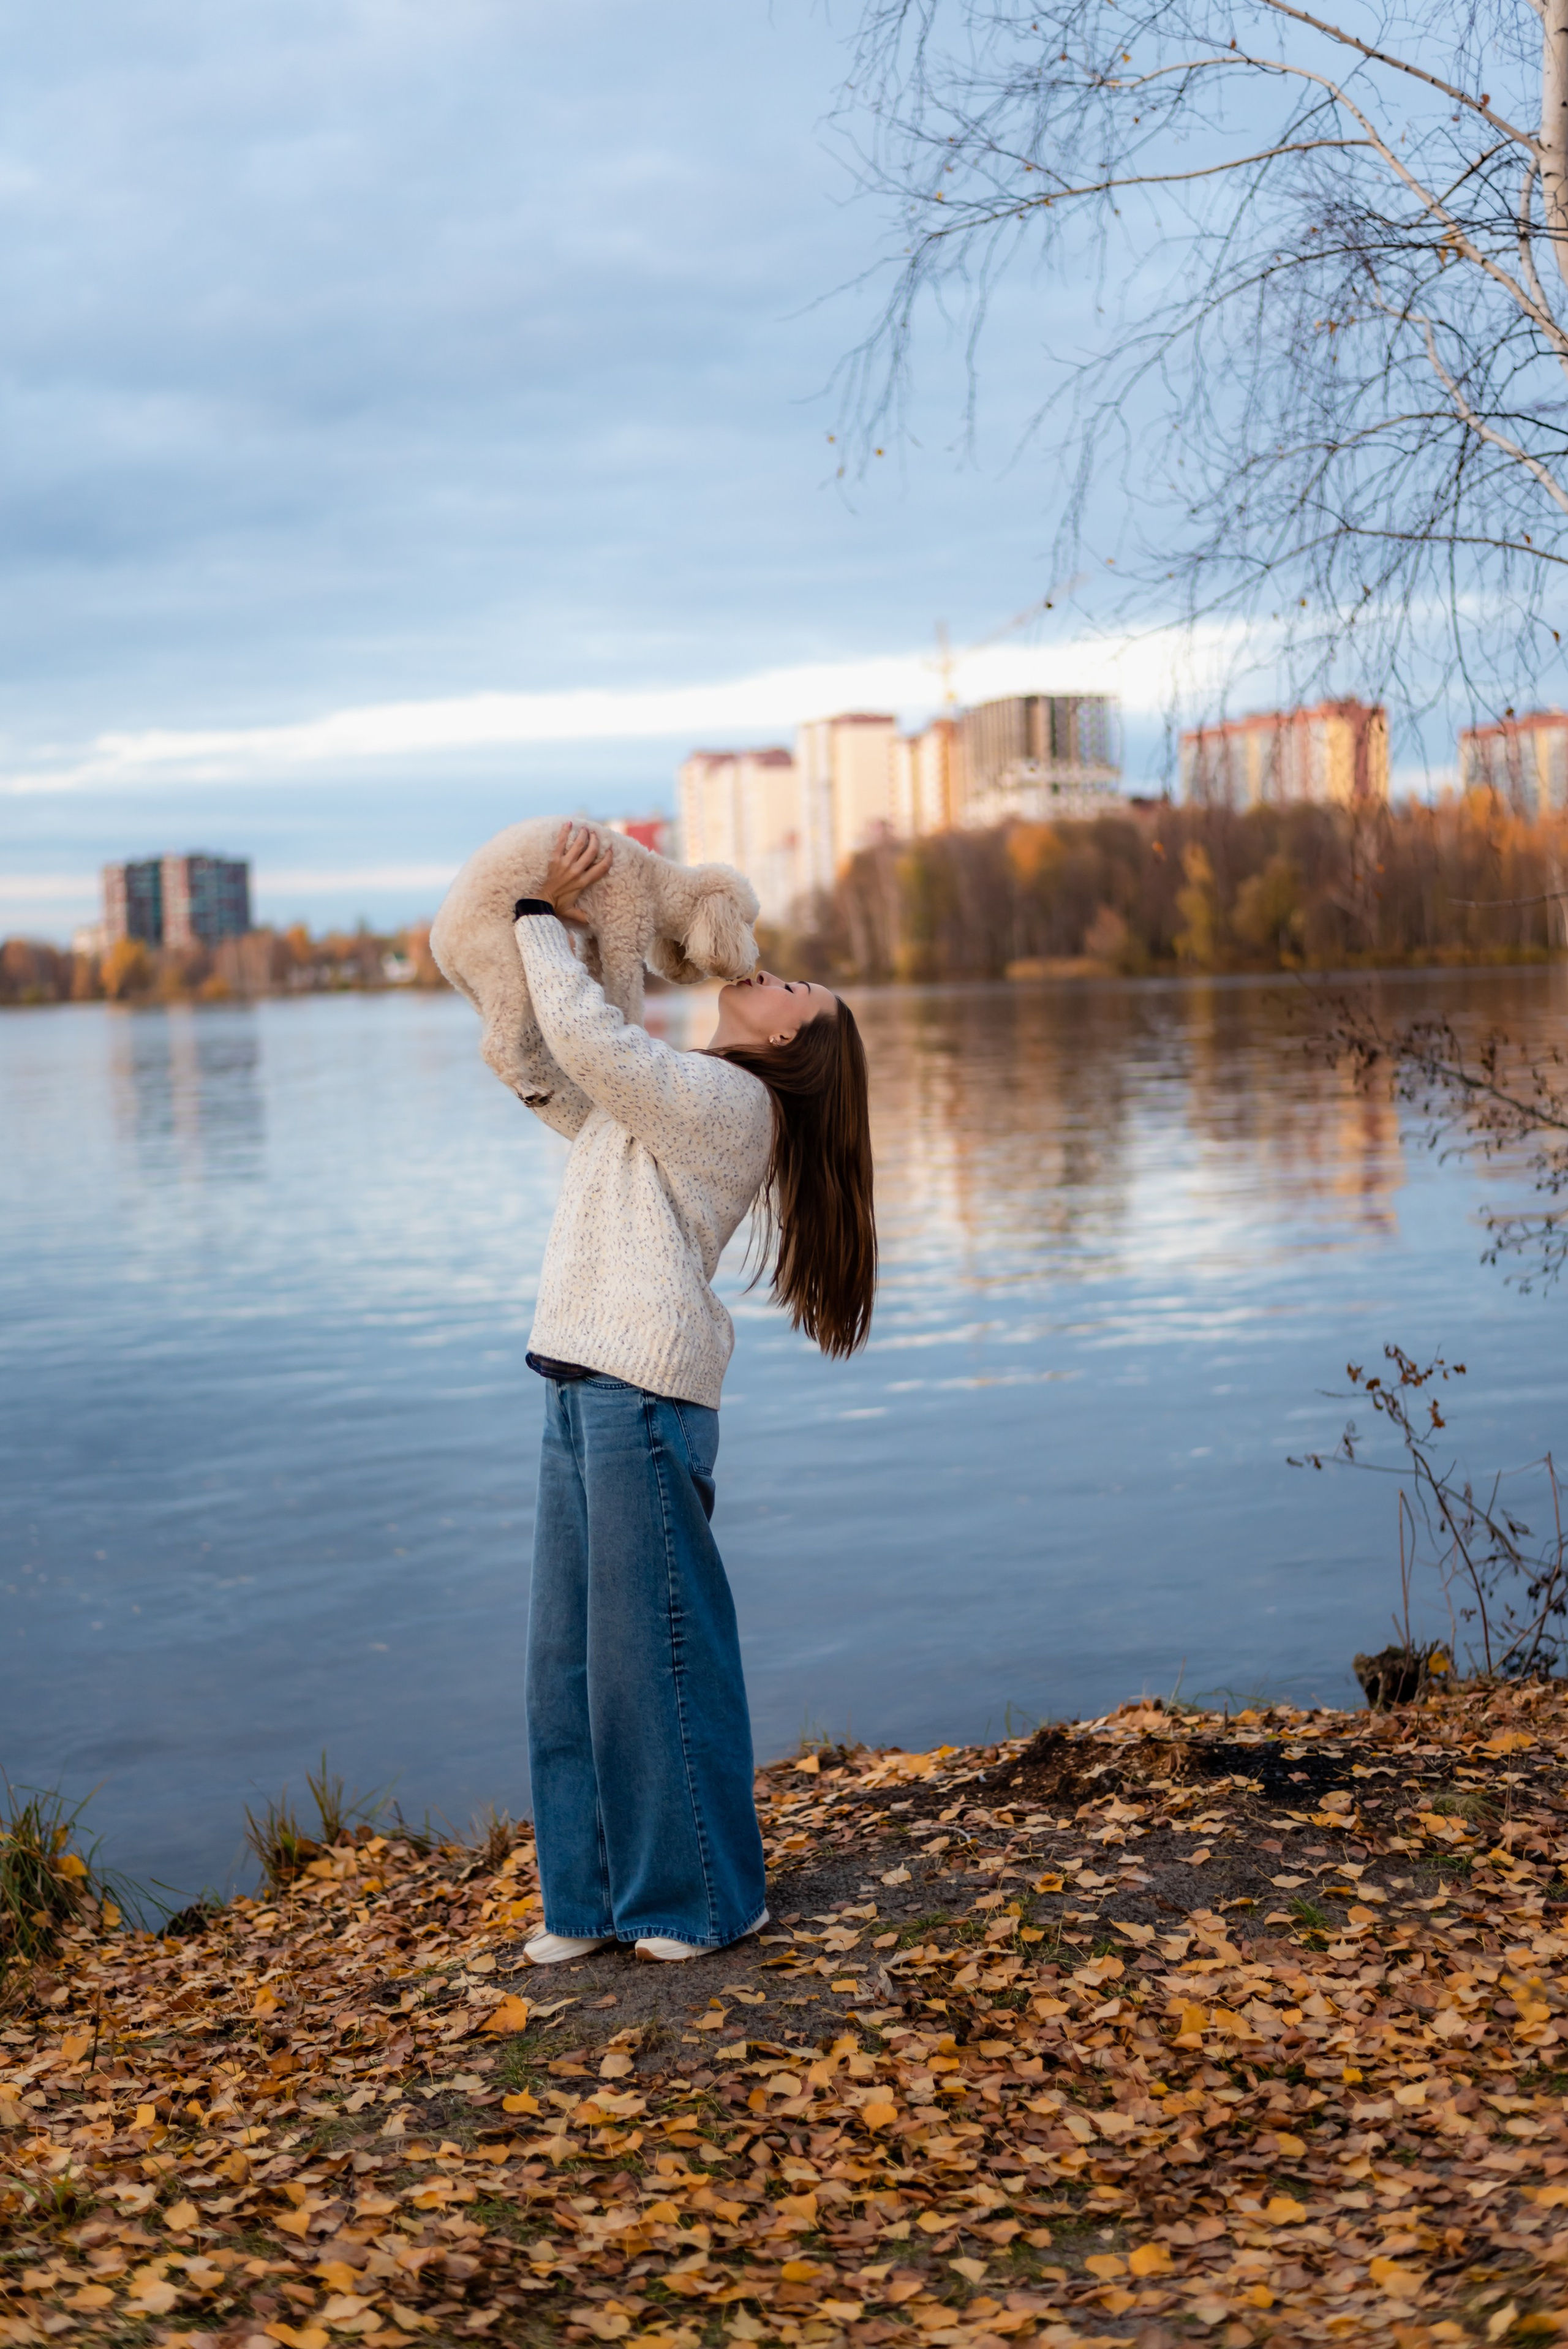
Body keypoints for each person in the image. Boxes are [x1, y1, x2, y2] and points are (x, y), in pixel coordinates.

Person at [511, 823, 876, 1963]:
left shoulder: (734, 1106)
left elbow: (595, 1040)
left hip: (644, 1391)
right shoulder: (683, 1093)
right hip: (578, 1378)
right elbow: (562, 1069)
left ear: (791, 1043)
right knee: (568, 1671)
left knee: (656, 1661)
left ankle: (708, 1899)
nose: (773, 975)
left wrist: (539, 919)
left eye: (795, 991)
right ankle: (590, 1903)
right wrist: (577, 937)